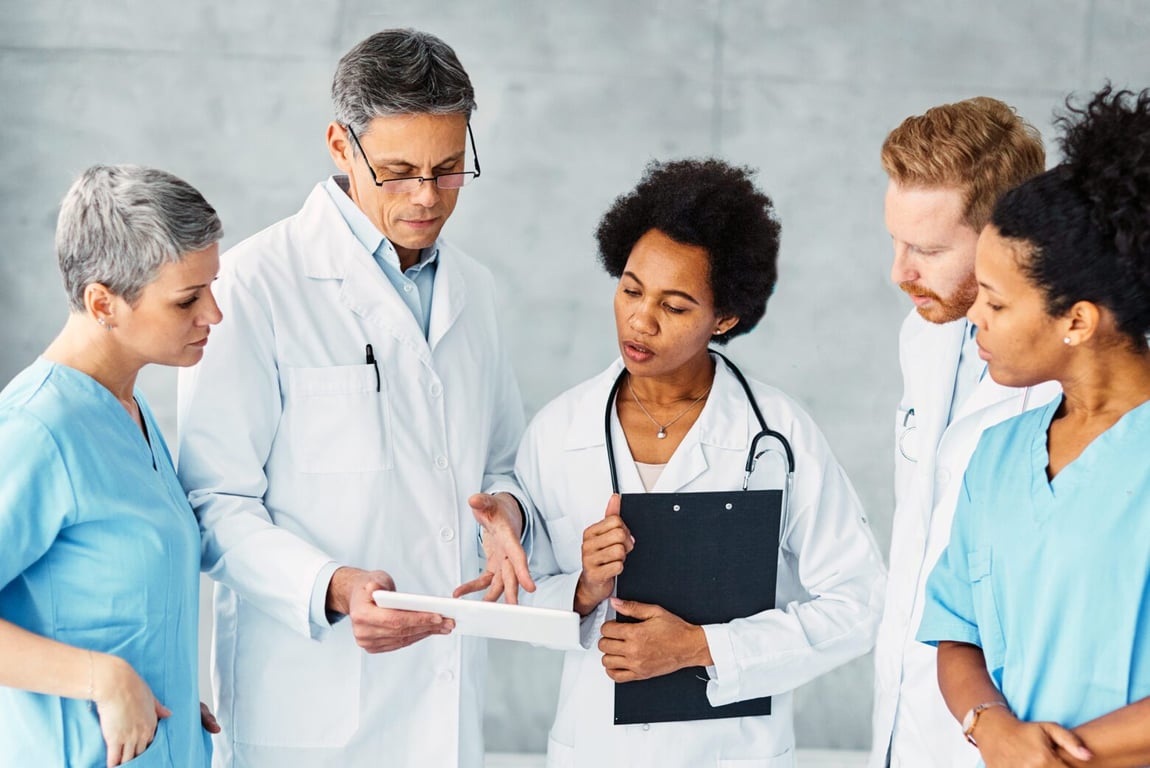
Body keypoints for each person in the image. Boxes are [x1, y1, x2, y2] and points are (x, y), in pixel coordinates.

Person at [176, 29, 532, 768]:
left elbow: (501, 462)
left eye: (448, 169)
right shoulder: (254, 285)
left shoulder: (476, 291)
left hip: (444, 701)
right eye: (398, 172)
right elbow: (214, 503)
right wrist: (331, 587)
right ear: (341, 146)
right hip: (310, 707)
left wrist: (510, 512)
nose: (426, 196)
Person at [516, 158, 886, 766]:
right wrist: (582, 590)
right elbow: (516, 596)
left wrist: (703, 647)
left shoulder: (778, 434)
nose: (641, 319)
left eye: (675, 306)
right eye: (631, 289)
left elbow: (860, 603)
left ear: (725, 317)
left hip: (731, 752)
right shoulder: (559, 430)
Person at [918, 84, 1150, 768]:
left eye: (995, 302)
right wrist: (990, 726)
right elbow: (956, 629)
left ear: (1076, 320)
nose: (974, 318)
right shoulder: (998, 455)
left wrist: (1055, 756)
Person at [0, 165, 222, 767]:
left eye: (211, 288)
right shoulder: (37, 429)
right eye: (187, 299)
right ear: (103, 303)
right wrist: (103, 679)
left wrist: (168, 693)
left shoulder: (130, 409)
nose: (213, 314)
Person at [870, 96, 1059, 768]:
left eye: (926, 249)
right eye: (896, 241)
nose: (900, 273)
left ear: (1007, 235)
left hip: (1017, 732)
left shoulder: (1068, 376)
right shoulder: (923, 333)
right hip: (905, 714)